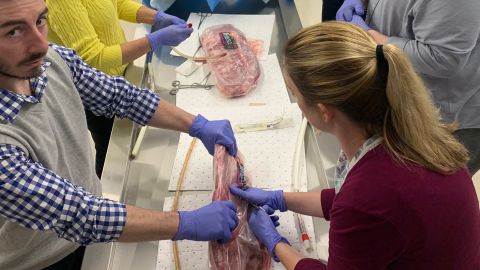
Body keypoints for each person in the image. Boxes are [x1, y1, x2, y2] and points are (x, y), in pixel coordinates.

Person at [0, 0, 238, 269]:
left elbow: (118, 96)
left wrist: (197, 125)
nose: (40, 45)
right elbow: (80, 216)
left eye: (40, 21)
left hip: (91, 220)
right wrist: (186, 223)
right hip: (43, 259)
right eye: (13, 32)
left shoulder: (51, 61)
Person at [229, 22, 480, 269]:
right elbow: (351, 200)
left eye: (295, 95)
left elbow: (360, 205)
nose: (296, 104)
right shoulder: (407, 134)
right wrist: (281, 199)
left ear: (323, 111)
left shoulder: (368, 195)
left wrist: (276, 243)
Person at [45, 0, 193, 177]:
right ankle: (104, 198)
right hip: (94, 91)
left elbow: (118, 4)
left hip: (120, 74)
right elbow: (93, 58)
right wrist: (154, 40)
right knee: (111, 153)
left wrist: (157, 18)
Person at [335, 0, 480, 176]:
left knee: (430, 191)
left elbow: (444, 58)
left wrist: (373, 39)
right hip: (401, 93)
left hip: (448, 114)